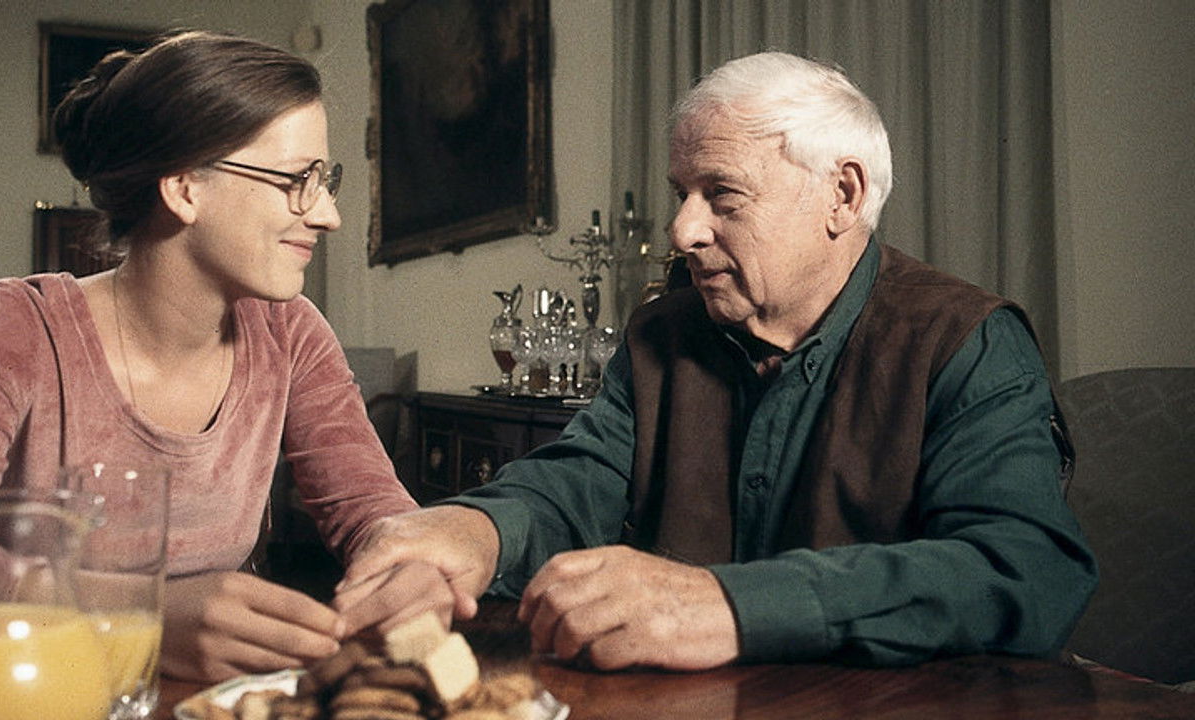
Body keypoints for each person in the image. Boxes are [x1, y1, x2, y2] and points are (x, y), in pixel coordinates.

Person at [334, 51, 1098, 670]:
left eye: (722, 195)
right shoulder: (662, 335)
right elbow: (578, 482)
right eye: (682, 193)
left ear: (842, 194)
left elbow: (1026, 569)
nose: (682, 230)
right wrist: (477, 530)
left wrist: (729, 606)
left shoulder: (967, 339)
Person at [0, 31, 451, 683]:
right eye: (297, 180)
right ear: (185, 188)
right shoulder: (14, 327)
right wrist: (143, 613)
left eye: (324, 180)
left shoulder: (291, 333)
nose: (328, 215)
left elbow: (373, 510)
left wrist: (408, 562)